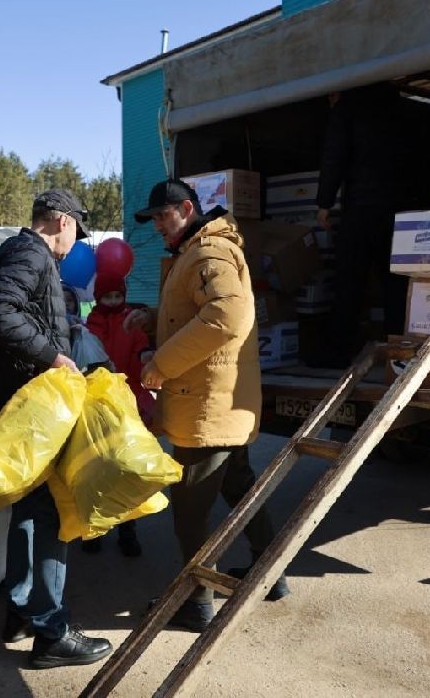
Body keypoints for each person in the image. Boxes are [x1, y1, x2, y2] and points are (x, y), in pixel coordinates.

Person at [127, 179, 289, 633]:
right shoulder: (195, 251)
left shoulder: (207, 253)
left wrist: (161, 363)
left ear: (186, 208)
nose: (158, 225)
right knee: (239, 489)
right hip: (217, 403)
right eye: (154, 218)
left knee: (190, 509)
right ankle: (270, 574)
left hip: (206, 406)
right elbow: (192, 314)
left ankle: (196, 602)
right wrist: (154, 320)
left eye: (163, 216)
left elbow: (224, 316)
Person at [0, 188, 113, 669]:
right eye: (76, 231)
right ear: (61, 221)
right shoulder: (30, 253)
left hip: (27, 403)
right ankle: (52, 630)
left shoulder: (23, 255)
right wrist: (52, 355)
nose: (74, 245)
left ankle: (20, 610)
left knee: (32, 511)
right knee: (52, 513)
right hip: (33, 407)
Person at [314, 84, 414, 366]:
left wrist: (324, 203)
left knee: (349, 281)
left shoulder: (348, 109)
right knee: (395, 283)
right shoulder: (402, 109)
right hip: (398, 209)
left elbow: (335, 156)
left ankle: (340, 352)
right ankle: (399, 353)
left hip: (361, 207)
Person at [82, 272, 151, 557]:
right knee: (94, 471)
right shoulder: (89, 326)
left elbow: (139, 356)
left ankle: (127, 530)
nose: (113, 301)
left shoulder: (132, 324)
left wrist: (145, 358)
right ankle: (92, 529)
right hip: (96, 404)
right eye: (107, 296)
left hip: (128, 402)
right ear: (98, 298)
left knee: (126, 472)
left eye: (117, 296)